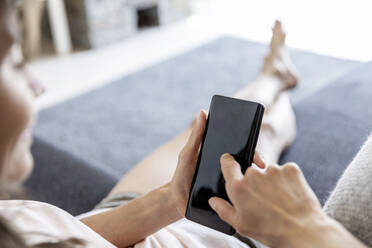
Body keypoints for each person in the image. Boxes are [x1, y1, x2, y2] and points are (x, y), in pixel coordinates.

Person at [0, 1, 370, 247]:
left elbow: (68, 237)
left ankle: (273, 76)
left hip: (131, 216)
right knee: (265, 134)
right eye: (15, 64)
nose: (38, 84)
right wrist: (303, 226)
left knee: (220, 131)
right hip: (212, 235)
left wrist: (169, 202)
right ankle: (276, 80)